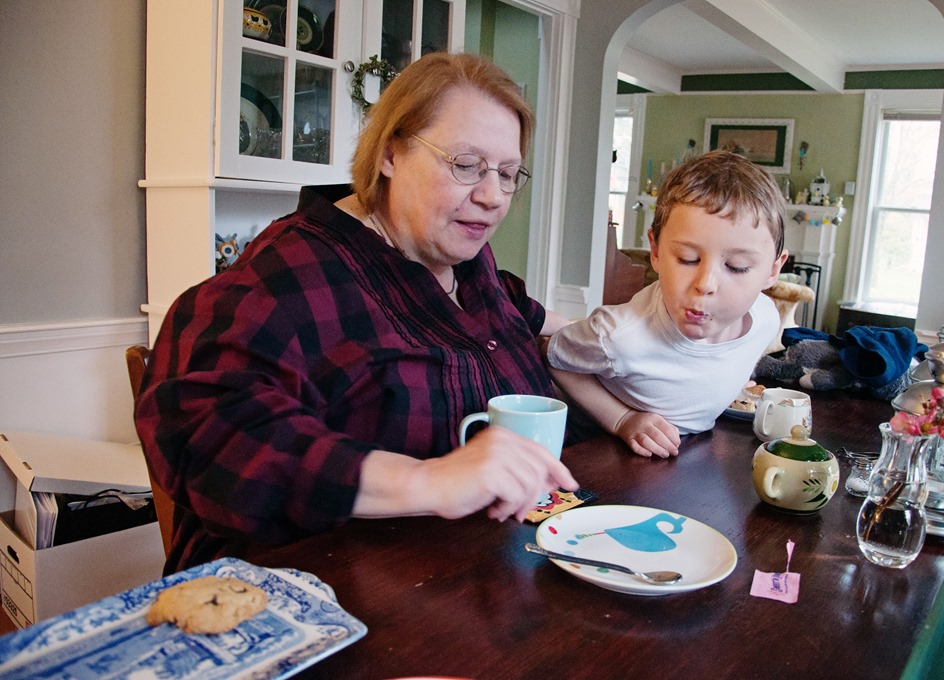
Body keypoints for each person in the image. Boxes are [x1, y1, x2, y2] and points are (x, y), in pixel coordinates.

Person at [134, 52, 577, 573]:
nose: (492, 196)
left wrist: (615, 343)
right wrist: (425, 480)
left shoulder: (468, 262)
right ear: (390, 154)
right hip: (313, 592)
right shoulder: (291, 274)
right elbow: (201, 424)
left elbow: (518, 309)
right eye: (465, 165)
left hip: (486, 569)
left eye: (507, 173)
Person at [546, 151, 788, 458]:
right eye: (688, 259)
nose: (706, 284)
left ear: (772, 270)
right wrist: (622, 419)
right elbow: (552, 355)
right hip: (597, 452)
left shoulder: (766, 318)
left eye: (736, 267)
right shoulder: (620, 336)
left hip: (690, 456)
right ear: (656, 251)